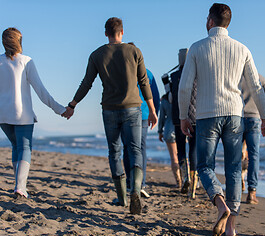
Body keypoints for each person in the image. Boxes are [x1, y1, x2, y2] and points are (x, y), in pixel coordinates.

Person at [178, 3, 265, 236]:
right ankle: (231, 226)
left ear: (210, 21)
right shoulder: (242, 49)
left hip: (206, 115)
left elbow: (184, 87)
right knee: (233, 170)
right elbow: (256, 87)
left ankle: (219, 202)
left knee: (204, 166)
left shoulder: (197, 48)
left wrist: (183, 116)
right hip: (234, 114)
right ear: (228, 23)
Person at [64, 17, 158, 215]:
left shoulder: (97, 55)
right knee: (135, 150)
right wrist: (152, 109)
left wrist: (73, 104)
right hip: (133, 108)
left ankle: (122, 197)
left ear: (106, 33)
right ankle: (136, 192)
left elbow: (87, 82)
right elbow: (144, 82)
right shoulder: (134, 51)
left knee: (114, 151)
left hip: (109, 110)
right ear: (122, 32)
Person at [0, 27, 66, 198]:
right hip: (22, 114)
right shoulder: (25, 61)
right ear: (19, 41)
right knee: (25, 147)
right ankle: (20, 187)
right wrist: (60, 109)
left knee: (16, 147)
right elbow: (41, 91)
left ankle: (19, 185)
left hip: (2, 115)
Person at [122, 43, 160, 198]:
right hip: (143, 115)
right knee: (140, 148)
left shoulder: (122, 72)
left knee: (127, 148)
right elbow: (155, 96)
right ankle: (141, 184)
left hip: (127, 113)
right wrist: (154, 113)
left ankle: (132, 183)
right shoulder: (148, 72)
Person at [169, 48, 198, 198]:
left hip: (178, 117)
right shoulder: (197, 75)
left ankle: (184, 178)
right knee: (193, 150)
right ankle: (193, 186)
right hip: (195, 117)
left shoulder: (173, 76)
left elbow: (170, 97)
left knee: (180, 150)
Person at [240, 74, 265, 205]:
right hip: (254, 118)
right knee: (254, 155)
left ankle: (236, 188)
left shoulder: (236, 76)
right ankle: (252, 192)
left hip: (238, 118)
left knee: (235, 154)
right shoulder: (261, 78)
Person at [158, 89, 181, 189]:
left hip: (169, 130)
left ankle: (178, 182)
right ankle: (187, 178)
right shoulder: (181, 95)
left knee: (174, 157)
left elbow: (162, 117)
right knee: (183, 156)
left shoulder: (164, 100)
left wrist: (160, 131)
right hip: (181, 128)